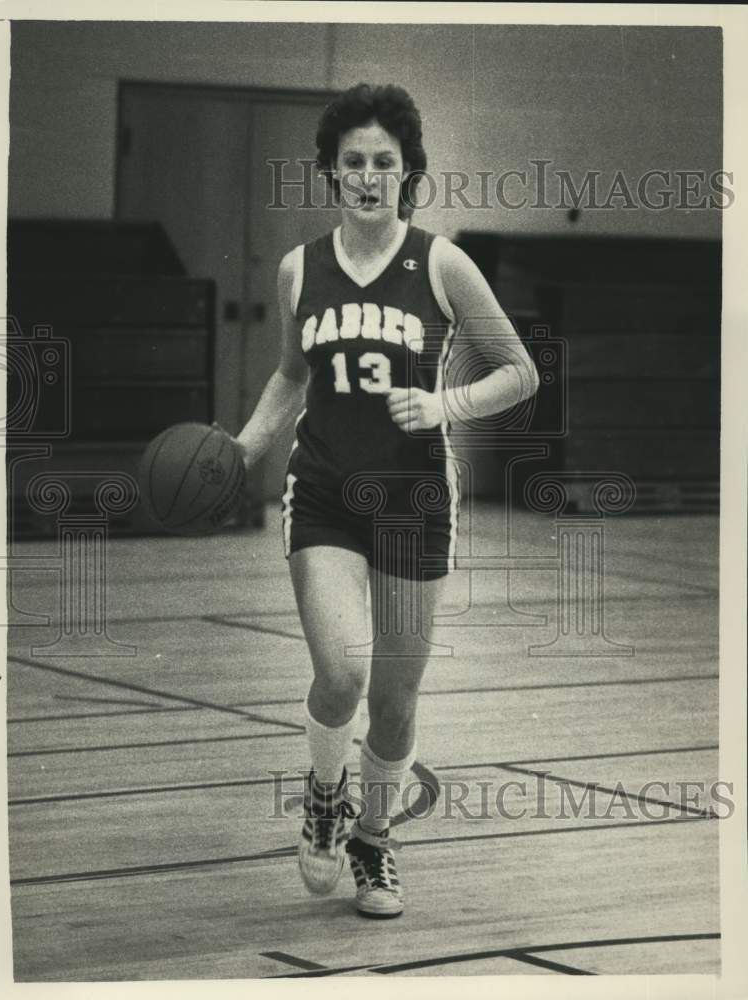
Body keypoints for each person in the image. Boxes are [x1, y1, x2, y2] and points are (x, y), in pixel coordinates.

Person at [234, 83, 539, 919]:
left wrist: (445, 406)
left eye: (385, 163)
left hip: (411, 500)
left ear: (408, 175)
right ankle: (324, 794)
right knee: (340, 672)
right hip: (326, 489)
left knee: (395, 701)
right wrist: (244, 448)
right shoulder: (301, 266)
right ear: (330, 173)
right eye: (354, 162)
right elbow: (292, 378)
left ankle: (373, 837)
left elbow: (520, 371)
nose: (368, 176)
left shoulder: (440, 263)